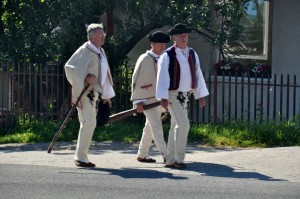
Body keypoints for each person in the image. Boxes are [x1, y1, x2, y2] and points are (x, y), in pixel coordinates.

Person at [156, 23, 209, 169]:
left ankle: (170, 159)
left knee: (175, 125)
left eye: (185, 34)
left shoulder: (192, 53)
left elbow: (197, 75)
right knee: (184, 124)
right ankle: (178, 159)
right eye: (180, 35)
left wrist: (200, 96)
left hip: (186, 95)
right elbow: (162, 77)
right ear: (174, 37)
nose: (184, 37)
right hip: (172, 95)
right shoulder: (167, 55)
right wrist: (163, 98)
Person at [64, 23, 115, 167]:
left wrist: (106, 95)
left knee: (86, 123)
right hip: (85, 92)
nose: (103, 36)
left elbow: (105, 74)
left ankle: (80, 156)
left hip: (94, 92)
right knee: (90, 122)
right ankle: (81, 157)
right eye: (100, 34)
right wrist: (85, 78)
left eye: (103, 33)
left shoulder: (100, 51)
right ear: (92, 36)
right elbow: (69, 68)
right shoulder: (85, 50)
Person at [131, 31, 170, 163]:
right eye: (160, 44)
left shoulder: (165, 58)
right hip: (147, 98)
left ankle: (142, 154)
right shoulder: (144, 58)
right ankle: (166, 155)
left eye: (164, 44)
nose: (162, 46)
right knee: (157, 126)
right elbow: (135, 80)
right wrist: (138, 101)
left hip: (160, 99)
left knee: (150, 127)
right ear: (152, 44)